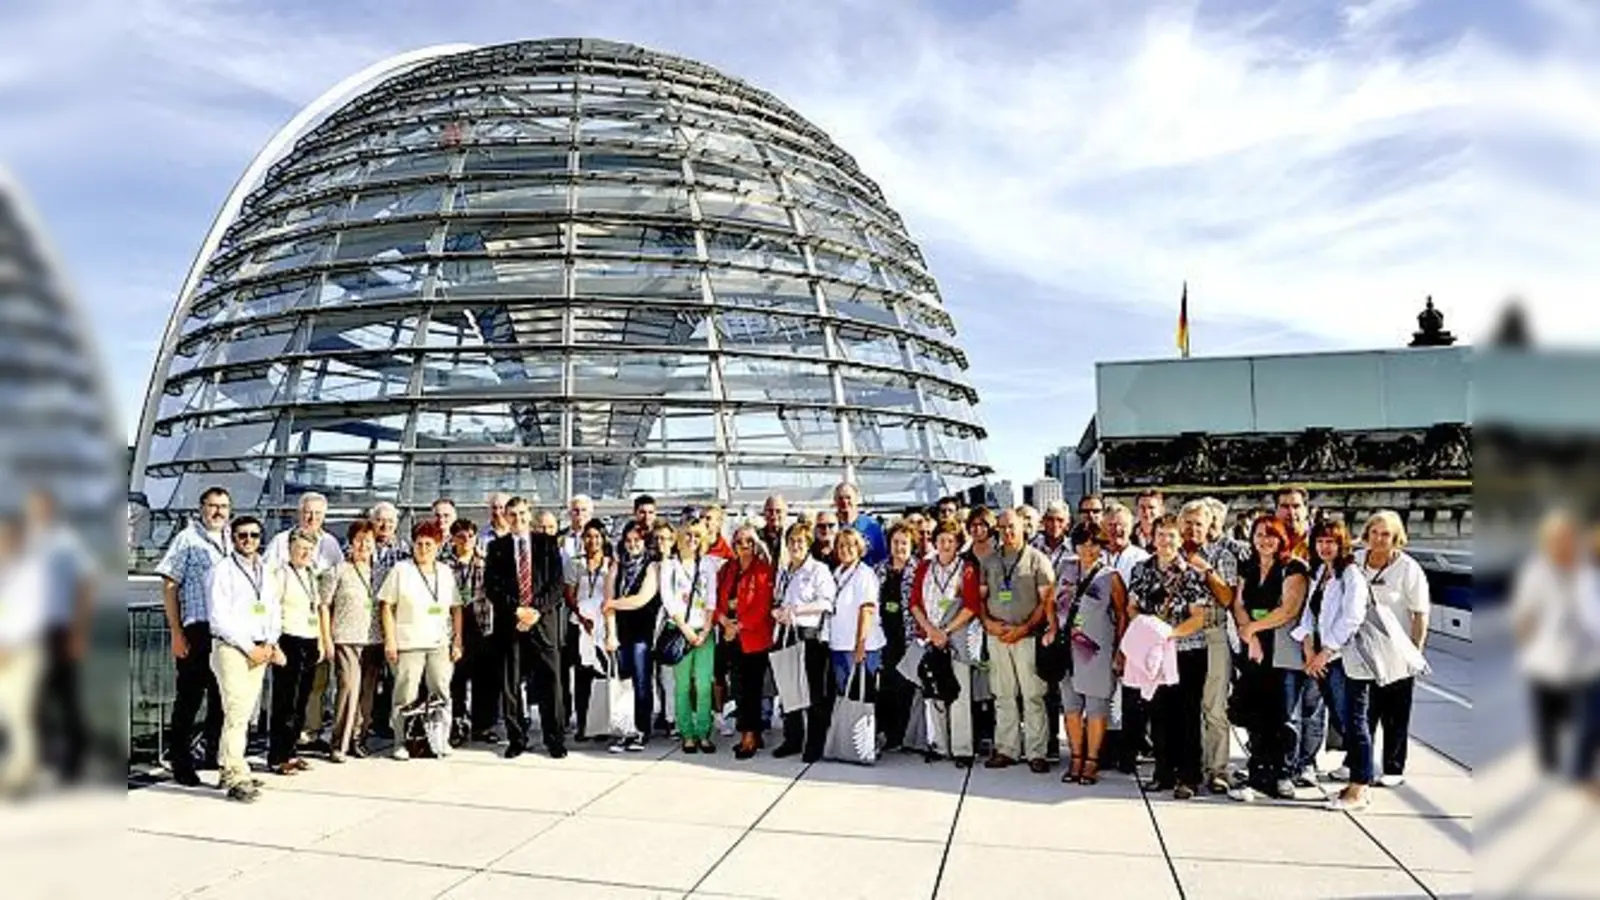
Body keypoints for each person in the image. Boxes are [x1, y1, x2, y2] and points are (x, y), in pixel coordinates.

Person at [1509, 510, 1600, 781]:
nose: (1565, 543)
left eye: (1569, 537)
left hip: (1586, 661)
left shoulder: (1586, 572)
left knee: (1591, 719)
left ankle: (1580, 771)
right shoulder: (1536, 571)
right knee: (1549, 722)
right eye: (1558, 538)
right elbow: (1525, 615)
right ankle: (1550, 764)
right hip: (1546, 662)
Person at [1126, 514, 1212, 799]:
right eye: (1160, 535)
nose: (1165, 541)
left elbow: (1199, 617)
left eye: (1171, 536)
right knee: (1158, 713)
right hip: (1153, 653)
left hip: (1185, 650)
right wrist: (1148, 629)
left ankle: (1188, 776)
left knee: (1187, 715)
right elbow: (1132, 607)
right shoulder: (1141, 570)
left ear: (1179, 540)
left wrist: (1168, 634)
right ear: (1153, 537)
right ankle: (1162, 772)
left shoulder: (1191, 574)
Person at [1294, 518, 1375, 812]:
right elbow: (1308, 614)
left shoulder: (1350, 574)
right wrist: (1307, 648)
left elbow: (1352, 617)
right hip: (1323, 658)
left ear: (1342, 544)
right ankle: (1355, 782)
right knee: (1341, 721)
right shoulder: (1320, 573)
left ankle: (1360, 787)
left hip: (1345, 659)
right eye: (1320, 541)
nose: (1325, 547)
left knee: (1354, 721)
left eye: (1331, 541)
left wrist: (1325, 653)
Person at [154, 486, 231, 786]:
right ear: (201, 508)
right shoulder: (187, 539)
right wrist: (176, 632)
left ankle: (212, 752)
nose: (218, 512)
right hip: (197, 628)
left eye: (223, 506)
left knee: (221, 697)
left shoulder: (232, 539)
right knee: (188, 698)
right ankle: (180, 761)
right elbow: (170, 586)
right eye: (213, 506)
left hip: (224, 630)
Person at [1231, 515, 1308, 801]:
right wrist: (1248, 635)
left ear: (1282, 539)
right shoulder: (1248, 567)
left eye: (1271, 535)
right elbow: (1238, 603)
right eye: (1260, 534)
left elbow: (1288, 610)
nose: (1265, 540)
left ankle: (1284, 773)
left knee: (1284, 715)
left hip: (1283, 649)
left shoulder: (1293, 568)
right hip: (1254, 649)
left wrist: (1253, 628)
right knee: (1257, 714)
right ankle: (1258, 773)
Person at [483, 497, 568, 759]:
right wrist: (517, 610)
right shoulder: (497, 547)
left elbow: (557, 585)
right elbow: (492, 586)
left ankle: (554, 739)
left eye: (522, 514)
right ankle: (516, 738)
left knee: (551, 683)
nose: (517, 519)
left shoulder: (547, 543)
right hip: (511, 625)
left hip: (543, 623)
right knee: (511, 685)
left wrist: (535, 611)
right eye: (512, 515)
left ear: (529, 515)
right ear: (505, 517)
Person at [1352, 510, 1430, 787]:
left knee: (1395, 714)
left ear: (1396, 537)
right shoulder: (1356, 561)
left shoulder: (1408, 568)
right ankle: (1358, 763)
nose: (1379, 539)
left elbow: (1420, 613)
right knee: (1362, 712)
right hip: (1361, 649)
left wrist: (1415, 653)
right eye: (1374, 532)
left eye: (1386, 534)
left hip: (1396, 652)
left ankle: (1393, 768)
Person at [205, 515, 280, 802]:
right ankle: (236, 773)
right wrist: (249, 647)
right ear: (232, 538)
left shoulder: (267, 570)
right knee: (236, 710)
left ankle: (230, 767)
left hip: (260, 648)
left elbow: (272, 608)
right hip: (233, 648)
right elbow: (218, 618)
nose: (248, 540)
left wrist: (271, 642)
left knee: (244, 713)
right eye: (242, 536)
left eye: (254, 535)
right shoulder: (221, 571)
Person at [24, 490, 95, 785]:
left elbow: (86, 585)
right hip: (29, 630)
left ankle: (75, 760)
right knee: (32, 697)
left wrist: (79, 631)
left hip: (60, 629)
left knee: (66, 696)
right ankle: (40, 758)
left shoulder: (66, 542)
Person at [977, 510, 1054, 773]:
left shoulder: (1037, 560)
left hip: (1027, 637)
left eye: (1011, 527)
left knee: (1033, 696)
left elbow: (1046, 603)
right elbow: (981, 597)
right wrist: (987, 622)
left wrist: (1023, 628)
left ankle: (1036, 752)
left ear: (1022, 527)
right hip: (997, 637)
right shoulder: (989, 561)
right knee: (1003, 695)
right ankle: (1006, 749)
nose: (1007, 533)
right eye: (1001, 528)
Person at [379, 521, 462, 761]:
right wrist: (390, 640)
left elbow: (456, 608)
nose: (424, 549)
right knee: (405, 693)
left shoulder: (445, 572)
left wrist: (457, 640)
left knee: (442, 690)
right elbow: (386, 606)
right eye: (419, 544)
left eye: (429, 544)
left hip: (439, 642)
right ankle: (401, 741)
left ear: (438, 546)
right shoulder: (401, 570)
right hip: (409, 642)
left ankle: (441, 739)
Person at [1052, 522, 1127, 786]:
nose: (1088, 548)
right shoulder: (1065, 569)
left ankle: (1092, 761)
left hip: (1096, 649)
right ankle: (1075, 756)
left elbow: (1122, 615)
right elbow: (1052, 602)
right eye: (1083, 542)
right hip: (1067, 648)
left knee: (1096, 707)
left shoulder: (1111, 576)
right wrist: (1051, 629)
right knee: (1071, 706)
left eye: (1094, 543)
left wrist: (1120, 650)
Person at [910, 521, 984, 767]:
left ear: (957, 543)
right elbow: (914, 603)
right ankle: (940, 745)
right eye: (941, 539)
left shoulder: (967, 568)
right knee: (934, 692)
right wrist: (931, 630)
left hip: (957, 637)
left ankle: (962, 748)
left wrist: (946, 631)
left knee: (959, 692)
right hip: (931, 637)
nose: (945, 544)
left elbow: (971, 605)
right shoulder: (924, 568)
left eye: (950, 540)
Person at [1178, 500, 1237, 795]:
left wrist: (1205, 570)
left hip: (1213, 634)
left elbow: (1227, 598)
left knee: (1214, 705)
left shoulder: (1221, 555)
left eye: (1198, 524)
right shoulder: (1171, 553)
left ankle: (1218, 769)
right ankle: (1189, 770)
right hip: (1180, 637)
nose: (1192, 529)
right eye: (1187, 523)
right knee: (1186, 709)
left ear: (1209, 526)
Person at [264, 528, 331, 775]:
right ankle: (277, 755)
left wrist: (322, 642)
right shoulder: (280, 575)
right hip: (288, 639)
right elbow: (272, 609)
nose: (305, 553)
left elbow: (316, 608)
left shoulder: (311, 574)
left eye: (309, 549)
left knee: (302, 699)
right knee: (285, 701)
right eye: (301, 548)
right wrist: (275, 644)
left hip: (309, 639)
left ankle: (291, 750)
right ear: (290, 549)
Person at [772, 521, 836, 762]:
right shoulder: (785, 571)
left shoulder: (818, 570)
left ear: (808, 544)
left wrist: (797, 610)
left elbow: (827, 603)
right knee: (789, 692)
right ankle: (792, 739)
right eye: (792, 541)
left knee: (813, 694)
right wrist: (777, 611)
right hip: (786, 634)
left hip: (810, 637)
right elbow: (778, 600)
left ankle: (815, 743)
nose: (796, 545)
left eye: (800, 541)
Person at [321, 521, 385, 762]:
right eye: (359, 540)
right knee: (348, 687)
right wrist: (326, 639)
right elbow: (324, 605)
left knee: (367, 693)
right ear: (351, 542)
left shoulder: (380, 572)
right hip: (346, 636)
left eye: (368, 540)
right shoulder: (338, 570)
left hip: (374, 638)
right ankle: (339, 742)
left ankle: (360, 737)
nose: (363, 545)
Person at [1274, 485, 1324, 786]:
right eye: (1284, 506)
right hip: (1281, 636)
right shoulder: (1272, 542)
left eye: (1296, 506)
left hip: (1317, 638)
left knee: (1312, 705)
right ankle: (1286, 760)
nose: (1290, 512)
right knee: (1285, 706)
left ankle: (1307, 761)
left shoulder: (1318, 544)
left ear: (1307, 510)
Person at [661, 520, 722, 753]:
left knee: (704, 684)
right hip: (679, 630)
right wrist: (685, 629)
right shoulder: (670, 565)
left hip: (703, 631)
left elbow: (711, 598)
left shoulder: (706, 564)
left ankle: (703, 732)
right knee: (683, 685)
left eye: (697, 536)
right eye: (687, 535)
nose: (692, 540)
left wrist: (705, 629)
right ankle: (687, 733)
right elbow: (669, 599)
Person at [719, 524, 775, 759]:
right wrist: (724, 621)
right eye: (740, 541)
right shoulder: (727, 569)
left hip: (754, 637)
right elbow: (717, 598)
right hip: (730, 636)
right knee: (739, 688)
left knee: (752, 689)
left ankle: (749, 736)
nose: (744, 546)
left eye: (749, 541)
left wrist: (738, 626)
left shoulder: (763, 571)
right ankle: (751, 730)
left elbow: (762, 607)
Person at [1104, 501, 1152, 774]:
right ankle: (1107, 749)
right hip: (1100, 633)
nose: (1116, 530)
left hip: (1132, 633)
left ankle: (1129, 752)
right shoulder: (1098, 556)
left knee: (1131, 696)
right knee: (1104, 695)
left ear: (1131, 527)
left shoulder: (1140, 558)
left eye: (1121, 525)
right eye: (1111, 525)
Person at [603, 522, 659, 751]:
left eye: (637, 540)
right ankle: (625, 730)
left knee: (642, 682)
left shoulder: (651, 566)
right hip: (621, 632)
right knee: (623, 683)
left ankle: (641, 730)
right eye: (628, 540)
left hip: (642, 633)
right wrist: (611, 634)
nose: (633, 544)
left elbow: (642, 598)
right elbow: (607, 602)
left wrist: (614, 603)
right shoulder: (617, 567)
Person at [445, 518, 499, 745]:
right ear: (453, 539)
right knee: (456, 679)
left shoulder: (486, 562)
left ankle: (483, 726)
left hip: (483, 624)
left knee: (485, 678)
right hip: (454, 626)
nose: (465, 540)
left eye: (469, 535)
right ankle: (457, 723)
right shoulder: (444, 564)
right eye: (460, 536)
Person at [565, 519, 614, 743]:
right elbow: (569, 594)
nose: (592, 541)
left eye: (597, 536)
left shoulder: (611, 564)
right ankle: (583, 723)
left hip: (603, 626)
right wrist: (582, 616)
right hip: (580, 625)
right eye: (588, 536)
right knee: (582, 676)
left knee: (602, 675)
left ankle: (601, 724)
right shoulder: (576, 564)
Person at [875, 523, 918, 750]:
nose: (899, 547)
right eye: (895, 542)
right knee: (886, 687)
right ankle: (886, 732)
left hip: (908, 638)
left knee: (906, 688)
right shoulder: (879, 570)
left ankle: (902, 735)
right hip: (885, 638)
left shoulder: (919, 570)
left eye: (904, 543)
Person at [830, 530, 886, 700]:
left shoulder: (865, 574)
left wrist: (860, 643)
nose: (844, 549)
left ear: (859, 548)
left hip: (861, 647)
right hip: (839, 644)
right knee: (844, 695)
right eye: (840, 545)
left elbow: (867, 609)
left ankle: (865, 728)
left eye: (849, 545)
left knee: (861, 697)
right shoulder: (837, 572)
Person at [835, 482, 887, 566]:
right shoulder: (829, 526)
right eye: (840, 498)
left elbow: (881, 558)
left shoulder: (872, 526)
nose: (844, 501)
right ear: (835, 501)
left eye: (848, 497)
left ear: (856, 499)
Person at [562, 495, 595, 563]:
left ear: (590, 513)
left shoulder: (599, 536)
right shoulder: (560, 536)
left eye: (583, 510)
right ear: (569, 513)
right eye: (575, 510)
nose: (579, 513)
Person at [759, 495, 788, 563]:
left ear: (785, 513)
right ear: (764, 513)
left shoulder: (791, 537)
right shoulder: (756, 537)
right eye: (770, 511)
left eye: (778, 511)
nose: (774, 515)